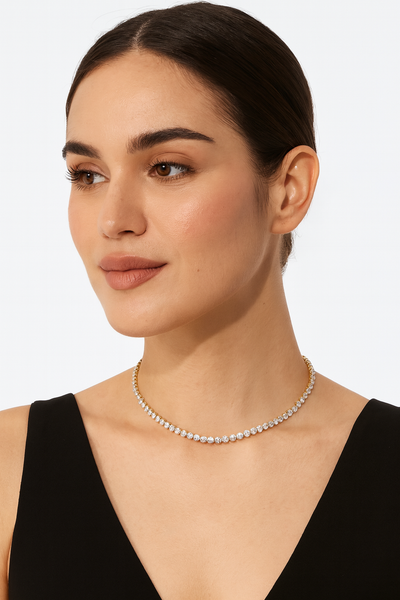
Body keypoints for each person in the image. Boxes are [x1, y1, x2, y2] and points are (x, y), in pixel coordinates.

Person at [1, 2, 399, 598]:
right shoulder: (8, 469)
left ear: (289, 190)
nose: (113, 219)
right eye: (88, 175)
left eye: (167, 167)